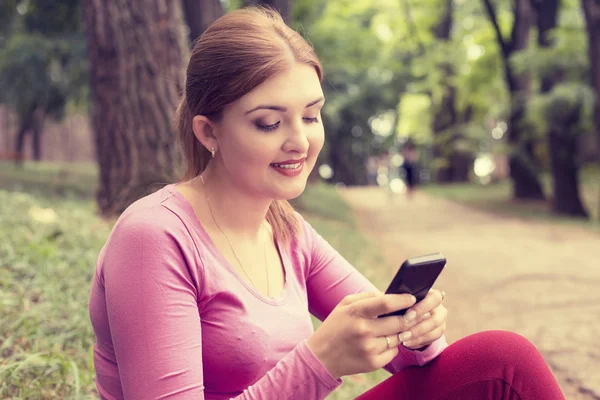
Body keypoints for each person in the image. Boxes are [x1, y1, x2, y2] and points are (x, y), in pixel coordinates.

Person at [88, 7, 565, 400]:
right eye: (269, 123)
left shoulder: (286, 230)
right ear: (208, 131)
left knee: (503, 360)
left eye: (311, 116)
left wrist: (417, 330)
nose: (300, 142)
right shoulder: (154, 236)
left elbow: (404, 350)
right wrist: (320, 362)